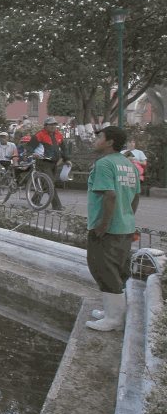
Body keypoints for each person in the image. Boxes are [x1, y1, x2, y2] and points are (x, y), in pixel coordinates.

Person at [84, 126, 141, 332]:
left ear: (109, 142)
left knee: (103, 269)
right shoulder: (129, 164)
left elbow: (110, 195)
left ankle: (113, 319)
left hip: (107, 230)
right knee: (118, 270)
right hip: (125, 227)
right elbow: (135, 196)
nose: (95, 139)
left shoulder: (104, 164)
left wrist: (103, 226)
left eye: (99, 136)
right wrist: (127, 218)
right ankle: (112, 311)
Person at [32, 118, 70, 210]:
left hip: (54, 163)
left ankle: (34, 201)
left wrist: (67, 159)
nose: (53, 126)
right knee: (50, 183)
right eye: (51, 124)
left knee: (45, 182)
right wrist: (33, 153)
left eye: (54, 124)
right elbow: (29, 147)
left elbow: (64, 148)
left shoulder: (58, 135)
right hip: (42, 162)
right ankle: (57, 206)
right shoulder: (39, 135)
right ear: (45, 126)